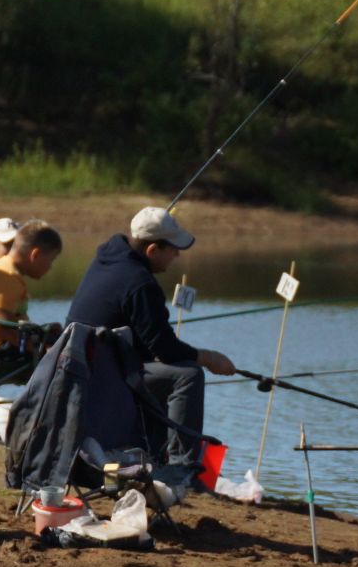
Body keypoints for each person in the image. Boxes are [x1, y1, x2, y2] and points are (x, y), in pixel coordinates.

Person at [65, 206, 234, 488]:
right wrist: (209, 357)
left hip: (80, 368)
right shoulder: (139, 282)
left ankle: (155, 457)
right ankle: (182, 469)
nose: (177, 255)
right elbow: (165, 348)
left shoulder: (106, 259)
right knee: (187, 375)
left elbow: (150, 343)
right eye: (173, 249)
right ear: (153, 249)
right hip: (99, 379)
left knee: (166, 372)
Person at [0, 218, 64, 360]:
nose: (50, 266)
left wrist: (41, 332)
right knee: (65, 354)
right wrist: (40, 349)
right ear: (35, 255)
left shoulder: (4, 268)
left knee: (58, 337)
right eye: (51, 260)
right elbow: (2, 327)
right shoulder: (8, 276)